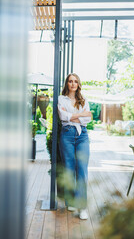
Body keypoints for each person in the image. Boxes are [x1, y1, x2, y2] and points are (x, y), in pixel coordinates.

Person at [58, 73, 92, 220]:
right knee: (69, 168)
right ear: (67, 83)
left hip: (82, 136)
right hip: (67, 135)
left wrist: (70, 115)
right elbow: (62, 117)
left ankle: (82, 206)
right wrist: (79, 115)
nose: (73, 84)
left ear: (78, 84)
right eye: (70, 81)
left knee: (82, 169)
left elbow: (88, 118)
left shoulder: (83, 100)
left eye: (75, 81)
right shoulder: (61, 99)